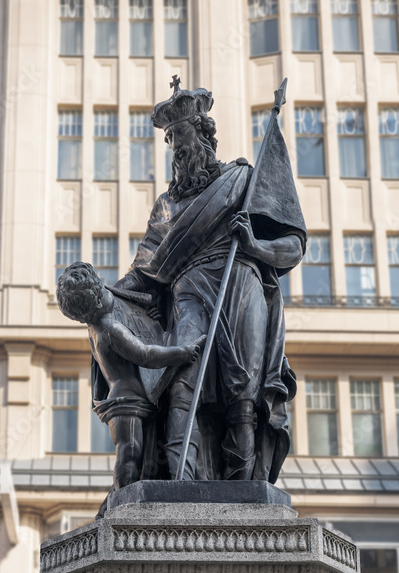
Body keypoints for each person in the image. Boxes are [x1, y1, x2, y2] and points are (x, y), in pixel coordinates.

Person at [115, 79, 305, 482]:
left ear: (202, 133)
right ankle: (179, 488)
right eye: (169, 141)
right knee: (182, 384)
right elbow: (144, 272)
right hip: (187, 296)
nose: (175, 148)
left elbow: (292, 246)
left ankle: (245, 493)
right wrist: (105, 298)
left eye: (179, 136)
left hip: (240, 284)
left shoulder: (243, 182)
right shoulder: (166, 206)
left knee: (244, 395)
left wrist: (255, 245)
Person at [56, 262, 205, 490]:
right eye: (103, 294)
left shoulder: (102, 317)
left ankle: (128, 493)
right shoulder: (109, 329)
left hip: (138, 397)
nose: (110, 295)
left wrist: (150, 316)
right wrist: (182, 352)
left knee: (141, 453)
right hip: (125, 402)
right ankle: (122, 496)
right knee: (130, 450)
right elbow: (145, 354)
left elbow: (139, 323)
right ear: (95, 301)